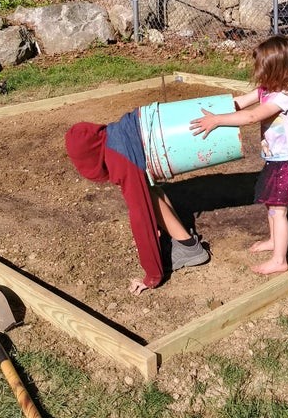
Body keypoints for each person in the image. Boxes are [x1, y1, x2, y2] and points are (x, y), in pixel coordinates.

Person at [190, 35, 288, 275]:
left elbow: (251, 117)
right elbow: (240, 104)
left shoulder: (284, 98)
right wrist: (215, 107)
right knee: (272, 204)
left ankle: (280, 260)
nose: (257, 72)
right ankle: (273, 240)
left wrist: (217, 121)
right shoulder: (267, 90)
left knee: (279, 211)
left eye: (261, 68)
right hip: (276, 160)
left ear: (277, 70)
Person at [65, 109, 209, 296]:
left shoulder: (120, 160)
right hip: (146, 121)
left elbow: (141, 216)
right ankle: (181, 239)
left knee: (144, 199)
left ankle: (190, 249)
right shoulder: (117, 135)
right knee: (150, 189)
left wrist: (152, 276)